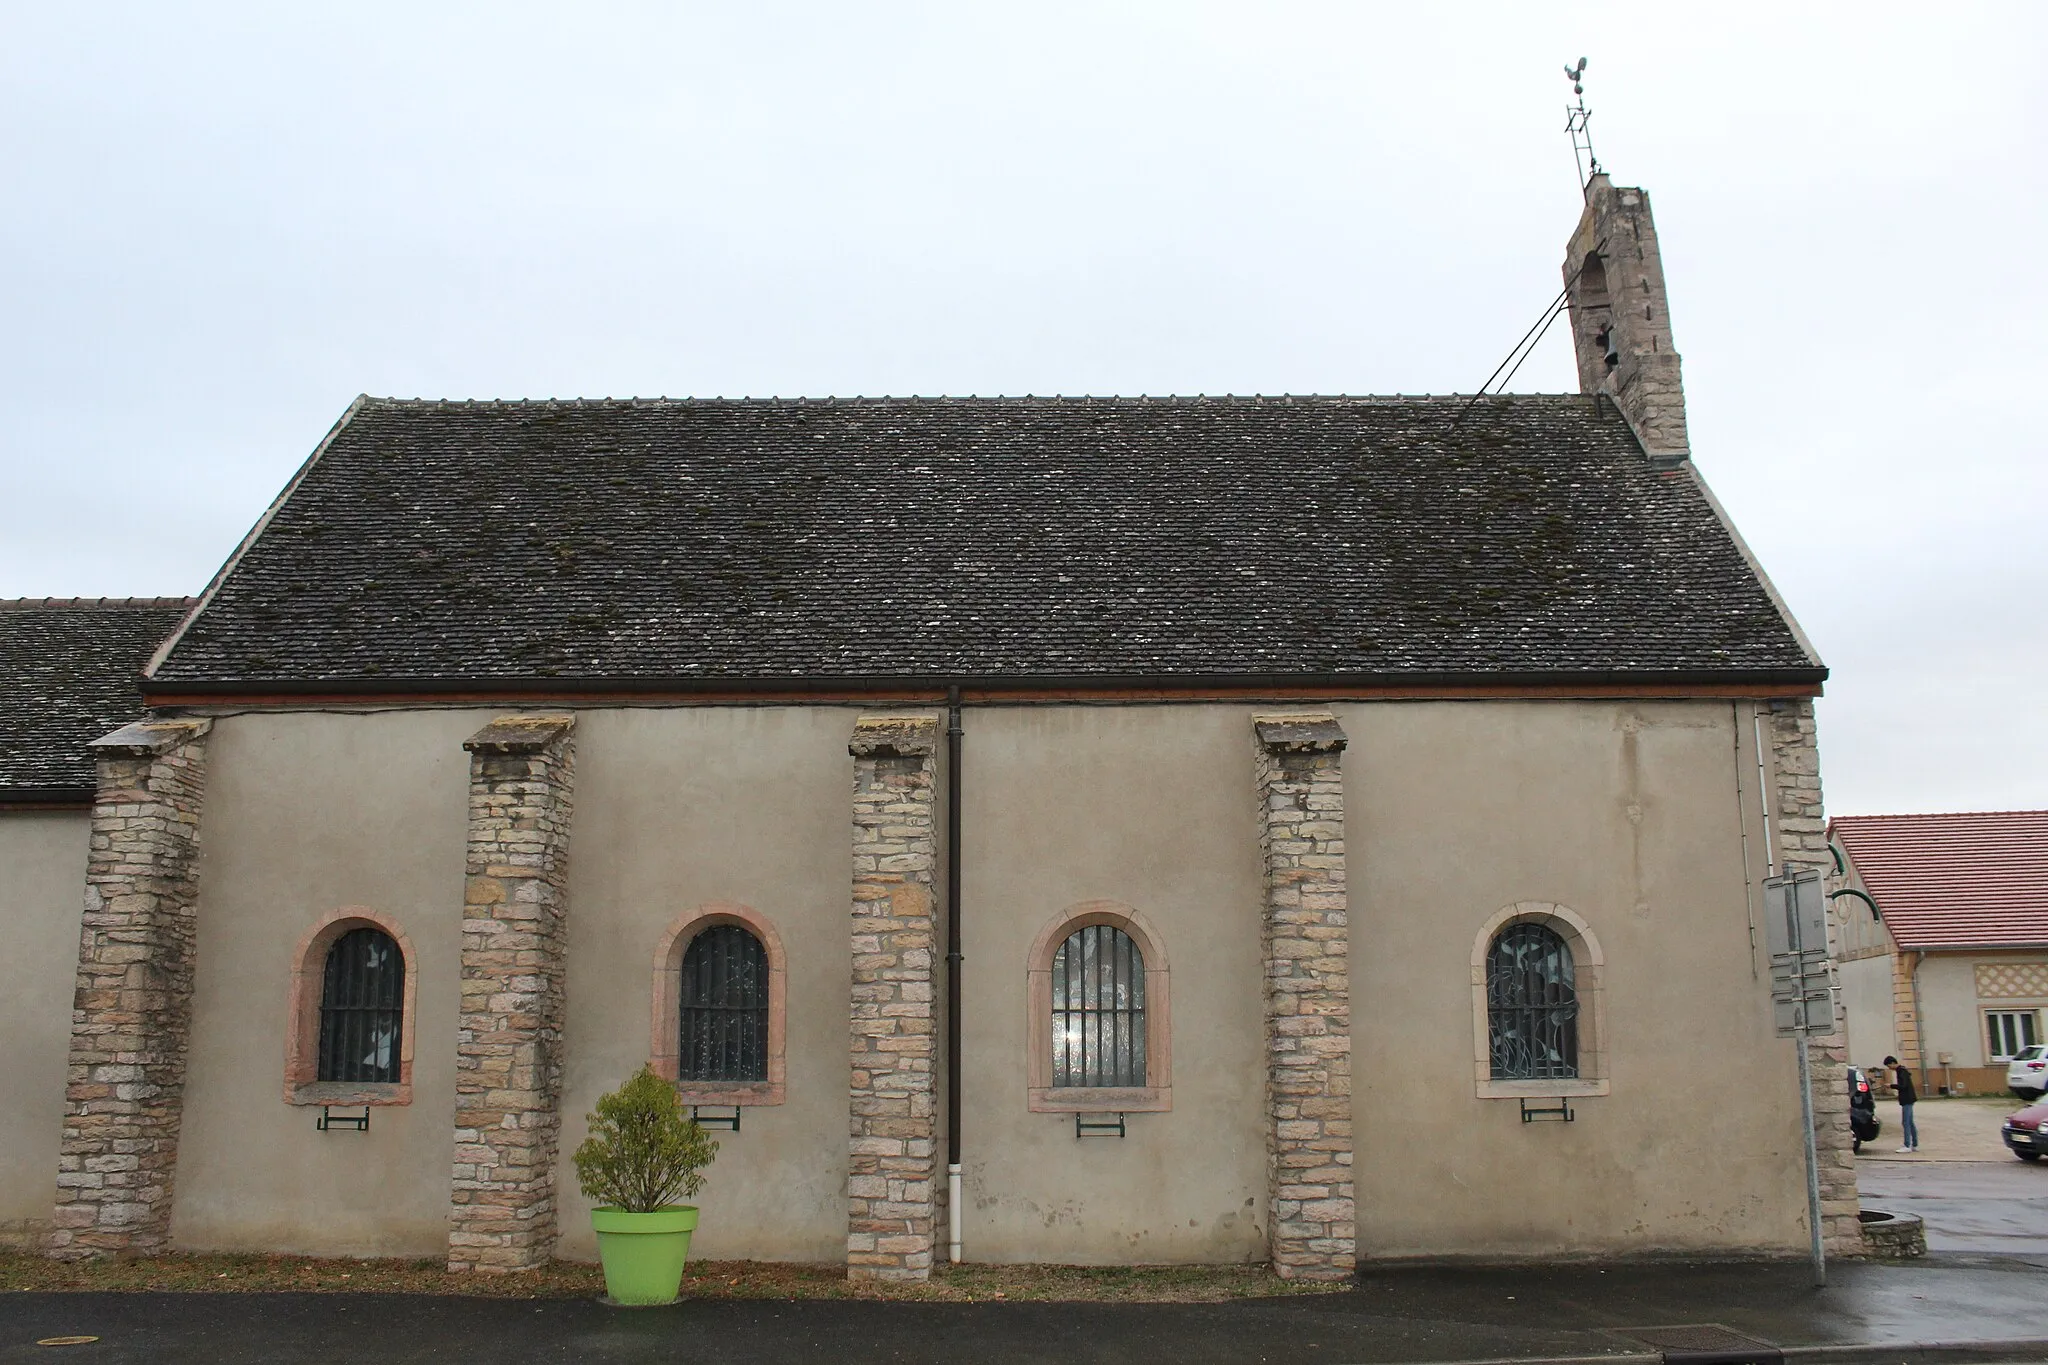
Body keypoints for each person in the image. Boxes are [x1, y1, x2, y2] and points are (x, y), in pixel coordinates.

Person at [1883, 1054, 1919, 1152]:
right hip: (1909, 1099)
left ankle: (1907, 1145)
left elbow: (1903, 1086)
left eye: (1889, 1066)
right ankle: (1915, 1144)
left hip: (1907, 1099)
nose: (1889, 1068)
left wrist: (1891, 1086)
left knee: (1906, 1122)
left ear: (1893, 1063)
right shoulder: (1902, 1070)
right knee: (1910, 1122)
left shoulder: (1901, 1071)